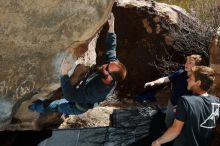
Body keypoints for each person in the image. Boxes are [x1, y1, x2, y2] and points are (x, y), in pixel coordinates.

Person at [29, 13, 127, 115]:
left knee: (55, 106)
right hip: (82, 91)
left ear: (109, 78)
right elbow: (111, 49)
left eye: (107, 67)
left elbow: (70, 96)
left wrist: (64, 73)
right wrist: (111, 25)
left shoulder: (97, 92)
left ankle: (35, 107)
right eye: (109, 63)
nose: (105, 64)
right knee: (59, 102)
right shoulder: (111, 69)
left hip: (77, 106)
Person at [152, 66, 220, 146]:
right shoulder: (217, 102)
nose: (187, 80)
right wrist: (183, 111)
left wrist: (158, 142)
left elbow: (175, 130)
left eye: (190, 78)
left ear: (198, 83)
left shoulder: (185, 101)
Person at [144, 54, 203, 127]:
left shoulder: (197, 80)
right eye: (186, 61)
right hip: (172, 103)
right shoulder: (180, 73)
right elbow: (166, 79)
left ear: (196, 66)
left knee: (181, 126)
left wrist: (183, 107)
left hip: (185, 108)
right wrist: (154, 82)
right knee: (168, 122)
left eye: (190, 62)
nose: (186, 64)